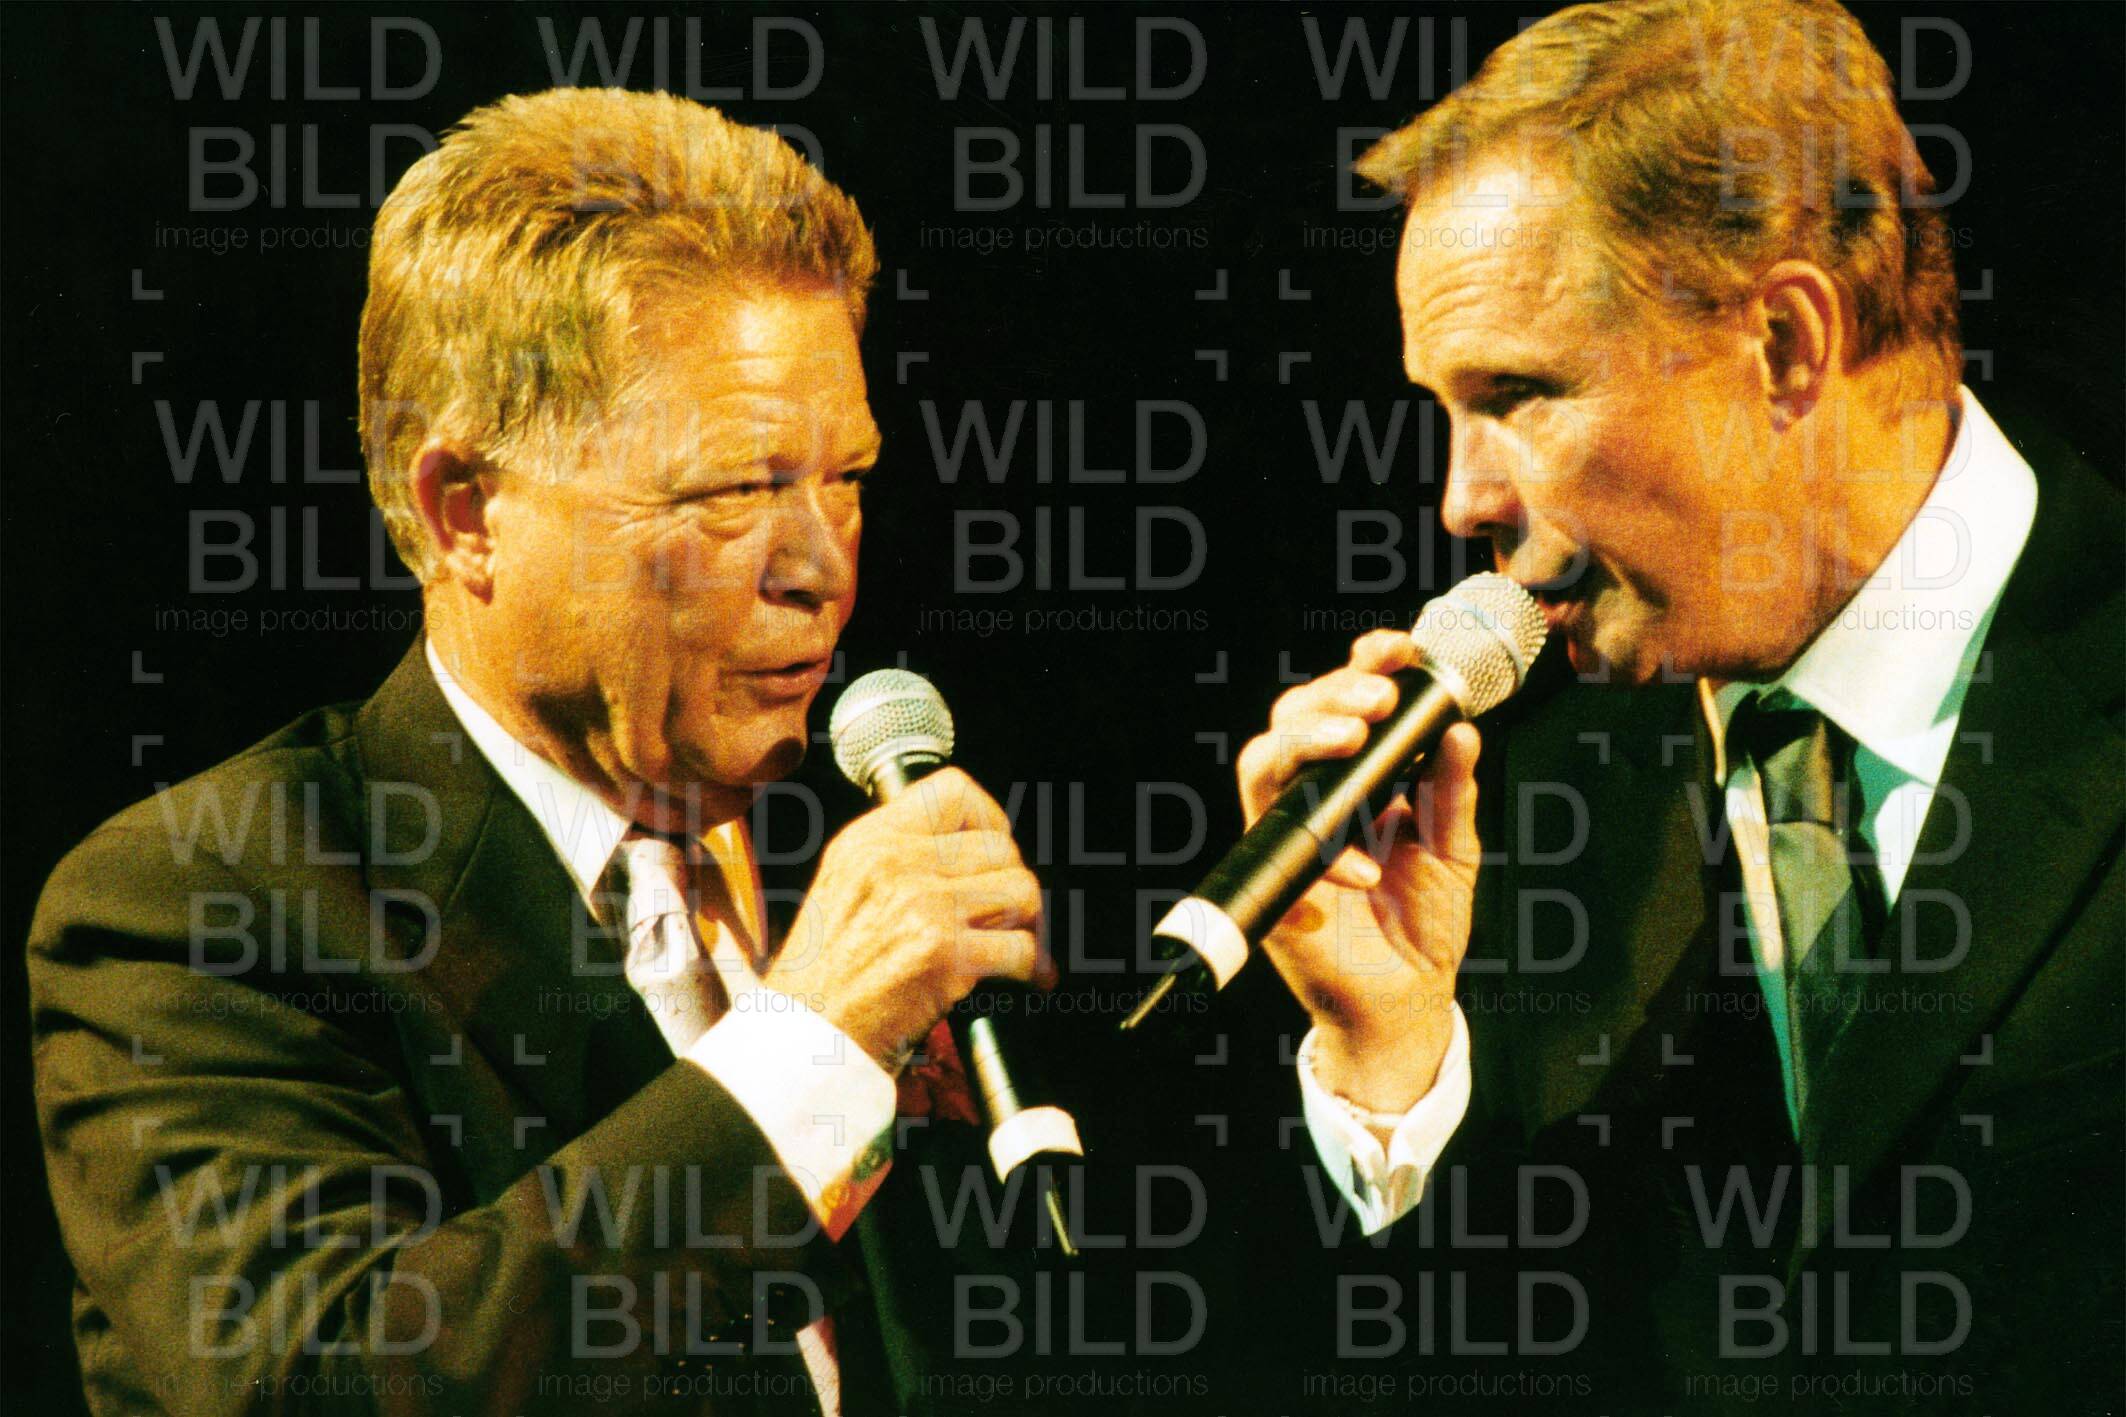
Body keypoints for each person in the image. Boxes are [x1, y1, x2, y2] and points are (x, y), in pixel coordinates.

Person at [27, 88, 1051, 1416]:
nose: (821, 569)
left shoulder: (849, 849)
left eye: (844, 478)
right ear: (466, 513)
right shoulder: (199, 906)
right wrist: (806, 1045)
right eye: (736, 490)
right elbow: (327, 1385)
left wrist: (1324, 1039)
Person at [1241, 0, 2122, 1409]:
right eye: (1442, 410)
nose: (1461, 499)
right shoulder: (1498, 824)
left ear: (1784, 341)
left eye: (1516, 395)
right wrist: (1390, 1052)